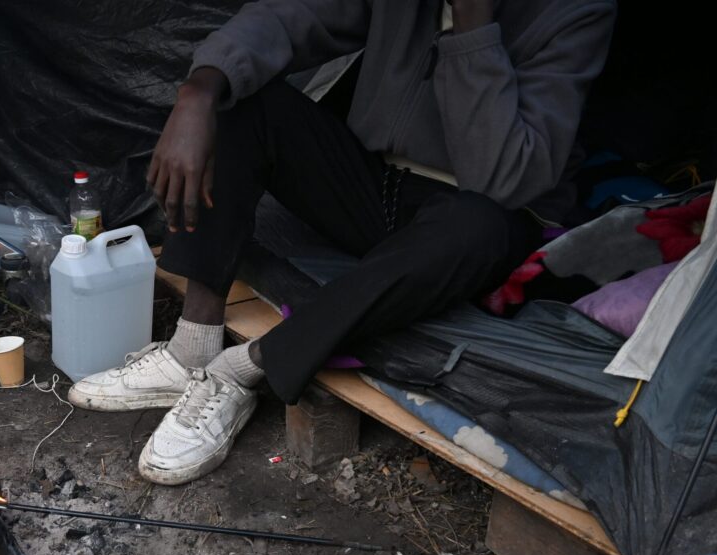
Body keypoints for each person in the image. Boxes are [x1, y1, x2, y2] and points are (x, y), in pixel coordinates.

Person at [69, 0, 617, 485]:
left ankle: (242, 371)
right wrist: (198, 92)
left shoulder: (574, 11)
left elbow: (504, 180)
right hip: (377, 187)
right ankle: (193, 346)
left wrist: (473, 26)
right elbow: (292, 15)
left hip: (478, 215)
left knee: (477, 222)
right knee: (242, 100)